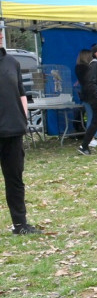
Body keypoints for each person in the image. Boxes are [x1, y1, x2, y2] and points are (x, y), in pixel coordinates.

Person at [0, 47, 39, 234]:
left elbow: (21, 93)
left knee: (15, 179)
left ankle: (20, 224)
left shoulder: (12, 62)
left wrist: (23, 119)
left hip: (12, 130)